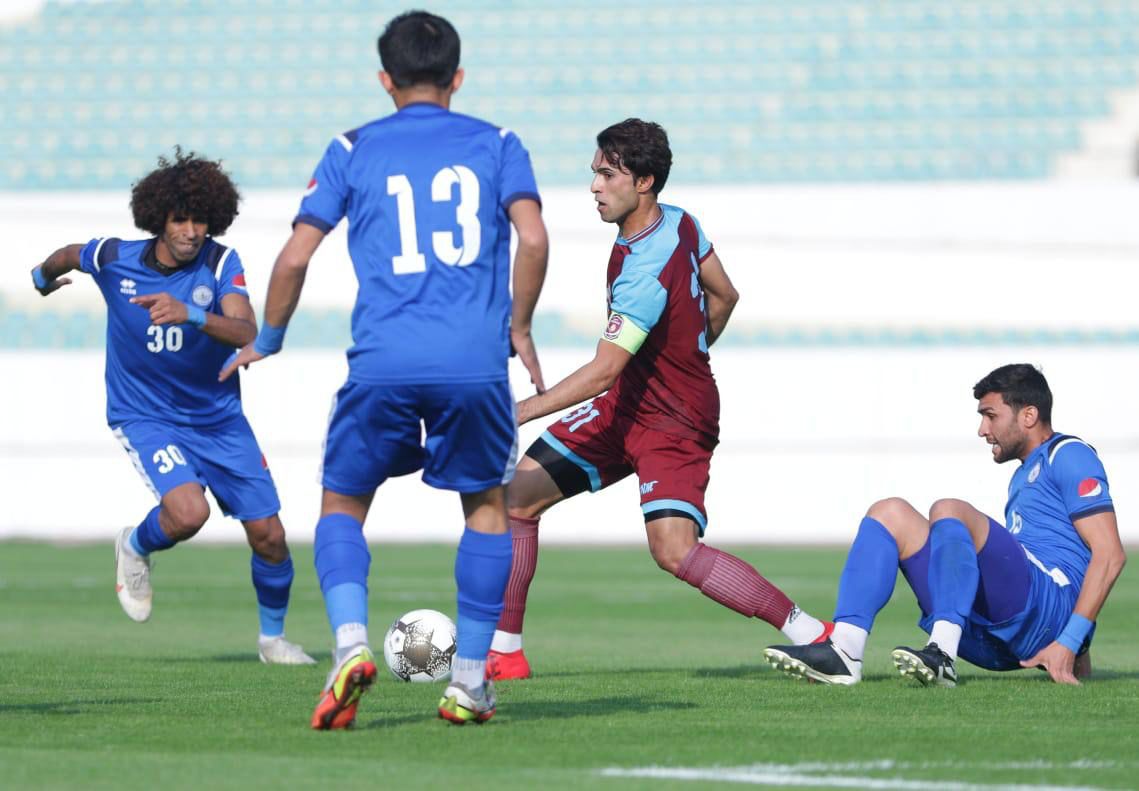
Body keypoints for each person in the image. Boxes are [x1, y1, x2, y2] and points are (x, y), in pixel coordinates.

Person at [220, 10, 548, 728]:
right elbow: (531, 234)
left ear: (384, 78)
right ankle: (468, 683)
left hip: (383, 360)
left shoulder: (351, 147)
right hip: (472, 361)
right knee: (486, 507)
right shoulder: (498, 143)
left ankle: (347, 647)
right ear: (457, 77)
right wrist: (517, 324)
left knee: (343, 503)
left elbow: (297, 254)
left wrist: (269, 335)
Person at [484, 118, 830, 683]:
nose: (594, 185)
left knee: (674, 550)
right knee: (516, 500)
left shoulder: (642, 270)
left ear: (643, 181)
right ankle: (506, 653)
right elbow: (725, 294)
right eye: (594, 171)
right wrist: (686, 351)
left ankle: (814, 635)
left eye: (608, 173)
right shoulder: (681, 223)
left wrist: (517, 410)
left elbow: (602, 371)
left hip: (672, 419)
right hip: (629, 404)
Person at [29, 149, 314, 666]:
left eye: (199, 219)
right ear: (158, 217)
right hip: (147, 416)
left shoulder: (220, 262)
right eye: (180, 219)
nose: (190, 230)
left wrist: (192, 314)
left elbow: (247, 331)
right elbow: (69, 253)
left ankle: (273, 640)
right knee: (188, 513)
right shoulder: (115, 259)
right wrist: (41, 279)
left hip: (220, 419)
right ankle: (135, 546)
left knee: (270, 537)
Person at [765, 364, 1127, 687]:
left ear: (1029, 415)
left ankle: (941, 652)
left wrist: (1071, 641)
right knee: (889, 513)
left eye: (990, 415)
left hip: (1046, 612)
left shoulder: (1070, 455)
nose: (982, 429)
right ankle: (845, 650)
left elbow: (1109, 555)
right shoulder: (1023, 475)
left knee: (949, 509)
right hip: (1000, 641)